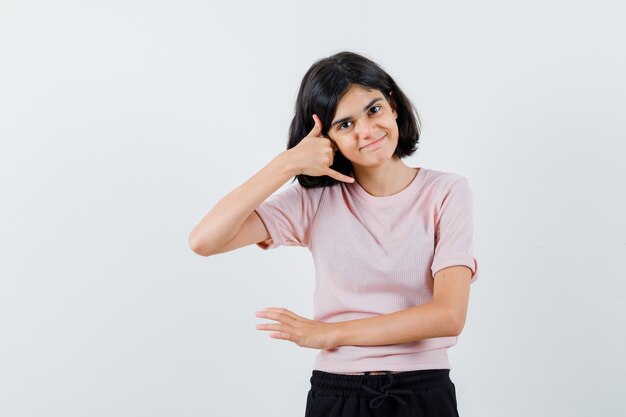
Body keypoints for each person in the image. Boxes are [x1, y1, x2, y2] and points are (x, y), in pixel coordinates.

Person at [189, 51, 479, 417]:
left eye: (373, 110)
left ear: (393, 106)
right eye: (344, 125)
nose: (367, 131)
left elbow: (448, 316)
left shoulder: (447, 192)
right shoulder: (315, 200)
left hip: (423, 390)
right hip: (337, 394)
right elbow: (204, 240)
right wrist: (287, 163)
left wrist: (329, 334)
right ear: (326, 139)